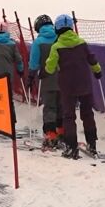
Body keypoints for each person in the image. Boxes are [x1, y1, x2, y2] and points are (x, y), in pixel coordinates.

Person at [45, 14, 102, 160]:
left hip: (67, 87)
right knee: (87, 114)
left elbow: (50, 68)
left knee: (69, 116)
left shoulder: (56, 47)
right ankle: (92, 144)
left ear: (57, 28)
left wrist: (45, 69)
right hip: (85, 84)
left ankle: (71, 147)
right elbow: (92, 59)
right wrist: (97, 71)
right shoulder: (82, 43)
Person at [28, 15, 62, 149]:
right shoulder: (59, 38)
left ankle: (50, 135)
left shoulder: (38, 42)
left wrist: (30, 77)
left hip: (46, 78)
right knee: (61, 106)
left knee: (50, 107)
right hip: (63, 78)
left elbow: (34, 63)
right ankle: (62, 132)